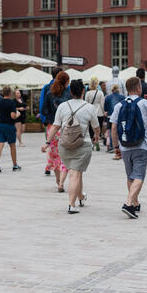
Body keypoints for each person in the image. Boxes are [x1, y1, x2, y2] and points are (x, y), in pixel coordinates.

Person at [110, 76, 147, 219]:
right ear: (138, 88)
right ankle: (128, 203)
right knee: (139, 176)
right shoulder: (144, 103)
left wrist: (115, 146)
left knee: (130, 175)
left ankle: (134, 203)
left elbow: (114, 127)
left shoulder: (119, 105)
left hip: (125, 145)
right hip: (141, 144)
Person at [52, 79, 99, 213]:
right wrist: (96, 136)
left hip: (65, 144)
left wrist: (48, 142)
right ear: (83, 91)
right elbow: (96, 127)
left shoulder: (62, 106)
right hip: (83, 144)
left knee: (76, 172)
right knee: (75, 173)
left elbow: (56, 126)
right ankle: (71, 205)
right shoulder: (89, 107)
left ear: (71, 92)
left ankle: (81, 196)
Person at [42, 71, 71, 191]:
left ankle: (58, 181)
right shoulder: (69, 94)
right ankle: (62, 183)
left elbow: (43, 110)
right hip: (66, 128)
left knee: (54, 156)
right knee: (65, 156)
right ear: (66, 81)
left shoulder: (50, 93)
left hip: (52, 128)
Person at [0, 86, 22, 173]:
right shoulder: (12, 103)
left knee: (0, 145)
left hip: (0, 125)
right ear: (10, 93)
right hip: (9, 125)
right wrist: (18, 114)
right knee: (12, 145)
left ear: (2, 93)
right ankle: (15, 165)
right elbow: (13, 116)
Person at [84, 77, 105, 151]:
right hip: (99, 112)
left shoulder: (87, 93)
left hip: (90, 112)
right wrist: (103, 112)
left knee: (91, 129)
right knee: (98, 129)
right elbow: (102, 104)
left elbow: (86, 104)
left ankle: (92, 144)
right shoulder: (100, 93)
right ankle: (97, 142)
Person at [104, 84, 124, 157]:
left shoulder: (108, 97)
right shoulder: (122, 97)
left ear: (112, 90)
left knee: (111, 130)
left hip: (110, 116)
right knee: (120, 130)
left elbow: (105, 109)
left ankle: (113, 146)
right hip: (120, 116)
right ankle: (121, 145)